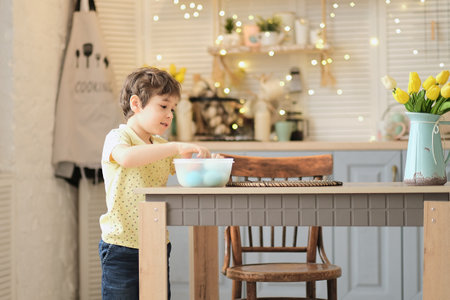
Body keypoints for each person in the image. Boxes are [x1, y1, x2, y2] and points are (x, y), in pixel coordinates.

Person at [99, 67, 217, 299]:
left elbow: (188, 174)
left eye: (172, 108)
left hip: (156, 242)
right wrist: (174, 147)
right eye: (163, 106)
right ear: (136, 104)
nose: (170, 114)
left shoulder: (161, 144)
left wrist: (208, 163)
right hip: (121, 246)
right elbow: (128, 158)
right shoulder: (118, 137)